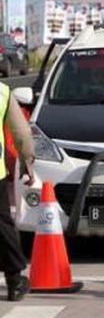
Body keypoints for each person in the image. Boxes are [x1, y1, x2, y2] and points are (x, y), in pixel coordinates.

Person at [0, 82, 35, 301]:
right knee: (2, 225)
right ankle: (14, 281)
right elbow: (21, 132)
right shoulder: (2, 91)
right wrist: (27, 162)